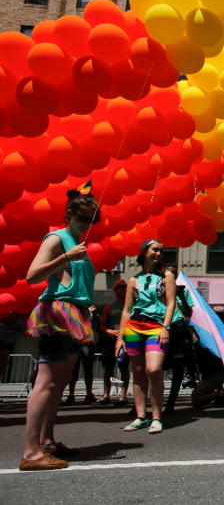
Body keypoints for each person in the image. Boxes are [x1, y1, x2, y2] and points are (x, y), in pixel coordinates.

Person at [21, 186, 99, 471]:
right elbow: (32, 276)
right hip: (58, 313)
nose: (87, 224)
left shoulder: (76, 241)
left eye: (92, 220)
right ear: (69, 214)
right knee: (47, 381)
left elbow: (73, 281)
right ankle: (31, 452)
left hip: (77, 315)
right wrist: (66, 257)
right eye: (83, 218)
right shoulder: (57, 238)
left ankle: (47, 441)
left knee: (61, 383)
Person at [115, 239, 181, 434]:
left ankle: (157, 418)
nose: (158, 254)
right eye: (155, 250)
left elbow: (171, 304)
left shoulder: (167, 276)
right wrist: (120, 338)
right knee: (138, 372)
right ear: (144, 252)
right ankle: (140, 417)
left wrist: (165, 327)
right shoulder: (133, 280)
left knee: (153, 370)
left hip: (156, 327)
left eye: (161, 251)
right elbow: (127, 310)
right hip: (134, 327)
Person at [162, 264, 195, 414]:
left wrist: (181, 297)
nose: (171, 276)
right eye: (168, 273)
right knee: (153, 368)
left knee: (178, 367)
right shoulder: (159, 289)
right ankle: (140, 404)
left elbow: (189, 313)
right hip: (161, 329)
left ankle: (170, 403)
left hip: (178, 329)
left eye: (174, 274)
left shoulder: (183, 291)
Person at [93, 280, 131, 406]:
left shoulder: (132, 305)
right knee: (108, 369)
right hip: (110, 341)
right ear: (115, 290)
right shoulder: (109, 307)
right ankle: (105, 395)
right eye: (121, 287)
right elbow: (102, 325)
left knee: (124, 368)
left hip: (126, 340)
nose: (124, 289)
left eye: (126, 287)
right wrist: (110, 331)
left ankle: (123, 395)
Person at [63, 304, 99, 405]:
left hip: (88, 342)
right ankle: (71, 394)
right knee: (74, 369)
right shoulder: (74, 308)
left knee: (88, 368)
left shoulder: (93, 308)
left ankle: (89, 393)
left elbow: (99, 321)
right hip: (76, 340)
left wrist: (95, 313)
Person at [0, 313, 24, 383]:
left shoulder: (17, 325)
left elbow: (25, 334)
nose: (18, 317)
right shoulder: (1, 320)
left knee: (2, 367)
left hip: (6, 348)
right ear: (11, 313)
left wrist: (25, 322)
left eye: (20, 315)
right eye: (16, 314)